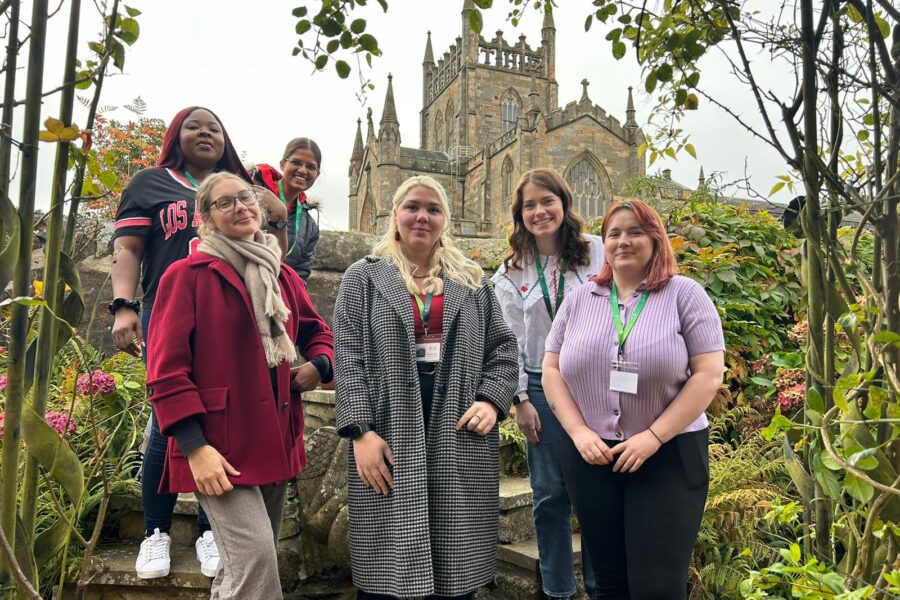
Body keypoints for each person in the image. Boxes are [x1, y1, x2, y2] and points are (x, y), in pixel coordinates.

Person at [109, 106, 287, 579]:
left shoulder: (241, 187)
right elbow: (128, 249)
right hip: (173, 302)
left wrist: (278, 211)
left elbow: (271, 248)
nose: (205, 133)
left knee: (226, 415)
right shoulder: (152, 183)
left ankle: (212, 530)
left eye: (214, 127)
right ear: (176, 135)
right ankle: (155, 531)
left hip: (235, 309)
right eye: (194, 126)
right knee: (164, 420)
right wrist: (123, 305)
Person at [147, 172, 334, 599]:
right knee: (257, 568)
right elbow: (165, 371)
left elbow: (318, 333)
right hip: (219, 449)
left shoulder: (281, 275)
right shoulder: (186, 275)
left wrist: (319, 365)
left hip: (276, 439)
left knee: (239, 574)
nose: (240, 207)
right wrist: (194, 446)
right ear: (205, 218)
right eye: (225, 202)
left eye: (245, 197)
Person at [333, 175, 518, 599]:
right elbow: (348, 358)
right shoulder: (364, 277)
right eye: (413, 206)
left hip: (458, 429)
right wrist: (360, 432)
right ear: (395, 214)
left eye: (433, 209)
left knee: (455, 569)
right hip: (387, 428)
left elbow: (504, 349)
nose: (422, 216)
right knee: (387, 568)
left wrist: (492, 401)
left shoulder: (472, 281)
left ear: (445, 220)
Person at [542, 198, 725, 599]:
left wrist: (654, 437)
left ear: (656, 238)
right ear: (603, 243)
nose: (623, 241)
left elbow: (709, 375)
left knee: (657, 586)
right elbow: (551, 369)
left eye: (635, 232)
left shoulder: (684, 294)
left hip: (669, 455)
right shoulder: (579, 299)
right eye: (614, 233)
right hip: (593, 457)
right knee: (607, 582)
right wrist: (577, 432)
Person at [491, 168, 603, 600]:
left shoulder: (595, 254)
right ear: (520, 214)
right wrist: (519, 399)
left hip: (594, 386)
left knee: (597, 490)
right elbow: (508, 341)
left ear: (564, 203)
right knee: (551, 493)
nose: (539, 212)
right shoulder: (511, 271)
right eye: (529, 205)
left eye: (547, 202)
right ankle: (557, 589)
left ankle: (600, 588)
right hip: (539, 385)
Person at [251, 137, 322, 281]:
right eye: (296, 162)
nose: (302, 170)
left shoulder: (309, 225)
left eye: (311, 167)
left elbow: (301, 274)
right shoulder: (252, 198)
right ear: (283, 164)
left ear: (317, 174)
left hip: (277, 297)